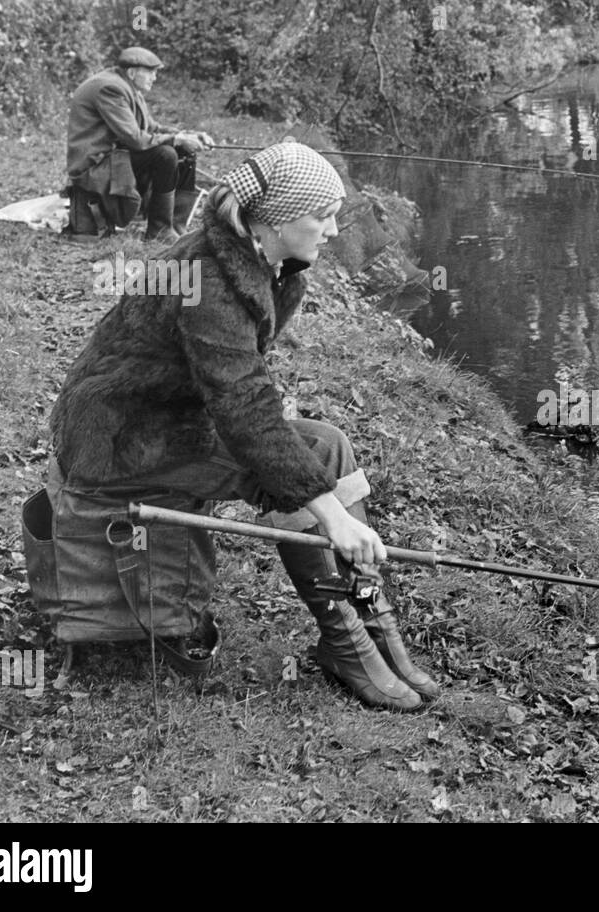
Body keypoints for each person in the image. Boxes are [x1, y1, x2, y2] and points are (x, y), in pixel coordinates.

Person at [49, 141, 439, 711]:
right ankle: (346, 639)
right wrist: (331, 517)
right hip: (122, 436)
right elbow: (242, 403)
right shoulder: (206, 277)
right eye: (321, 215)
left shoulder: (267, 261)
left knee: (325, 446)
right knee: (309, 462)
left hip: (169, 414)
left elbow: (237, 381)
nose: (332, 230)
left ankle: (370, 621)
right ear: (277, 219)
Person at [66, 46, 214, 242]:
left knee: (184, 153)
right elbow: (135, 139)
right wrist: (177, 140)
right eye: (151, 72)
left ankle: (174, 225)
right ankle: (159, 231)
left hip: (115, 157)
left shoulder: (127, 87)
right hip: (96, 165)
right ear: (133, 72)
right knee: (166, 154)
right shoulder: (111, 89)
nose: (155, 78)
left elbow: (151, 128)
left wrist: (188, 136)